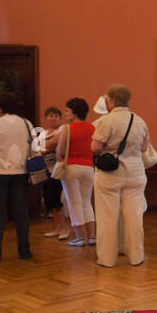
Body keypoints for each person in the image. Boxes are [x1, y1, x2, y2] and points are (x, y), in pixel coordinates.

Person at [92, 84, 152, 266]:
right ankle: (136, 256)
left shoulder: (106, 121)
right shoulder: (139, 120)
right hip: (135, 173)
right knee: (134, 216)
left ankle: (107, 259)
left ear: (110, 101)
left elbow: (95, 147)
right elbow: (144, 147)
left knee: (107, 216)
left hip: (110, 174)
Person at [0, 92, 34, 262]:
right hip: (20, 171)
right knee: (21, 212)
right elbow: (33, 144)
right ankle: (24, 251)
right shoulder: (26, 123)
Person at [56, 97, 97, 247]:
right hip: (88, 167)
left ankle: (80, 237)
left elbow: (60, 151)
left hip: (71, 167)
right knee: (86, 202)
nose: (66, 114)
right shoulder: (92, 128)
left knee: (74, 203)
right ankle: (92, 236)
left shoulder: (67, 128)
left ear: (74, 113)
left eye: (67, 111)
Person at [40, 105, 70, 239]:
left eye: (56, 116)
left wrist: (46, 147)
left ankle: (64, 228)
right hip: (44, 169)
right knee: (48, 199)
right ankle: (57, 227)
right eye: (51, 116)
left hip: (57, 169)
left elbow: (54, 144)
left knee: (56, 198)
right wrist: (46, 148)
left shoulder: (63, 129)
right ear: (46, 118)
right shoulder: (42, 132)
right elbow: (38, 148)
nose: (53, 118)